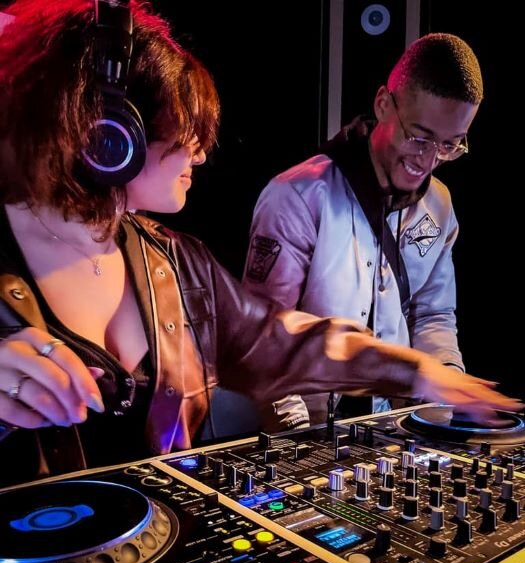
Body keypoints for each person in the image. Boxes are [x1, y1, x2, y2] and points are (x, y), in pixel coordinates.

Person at [0, 3, 518, 488]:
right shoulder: (301, 195)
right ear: (110, 135)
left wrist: (422, 371)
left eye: (447, 145)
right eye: (185, 133)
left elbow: (282, 340)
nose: (200, 156)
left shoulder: (180, 265)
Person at [243, 33, 484, 430]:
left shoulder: (440, 205)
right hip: (308, 427)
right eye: (419, 137)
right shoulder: (298, 196)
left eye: (450, 145)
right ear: (383, 104)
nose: (428, 160)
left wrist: (447, 408)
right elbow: (264, 338)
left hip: (395, 428)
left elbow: (433, 317)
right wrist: (297, 446)